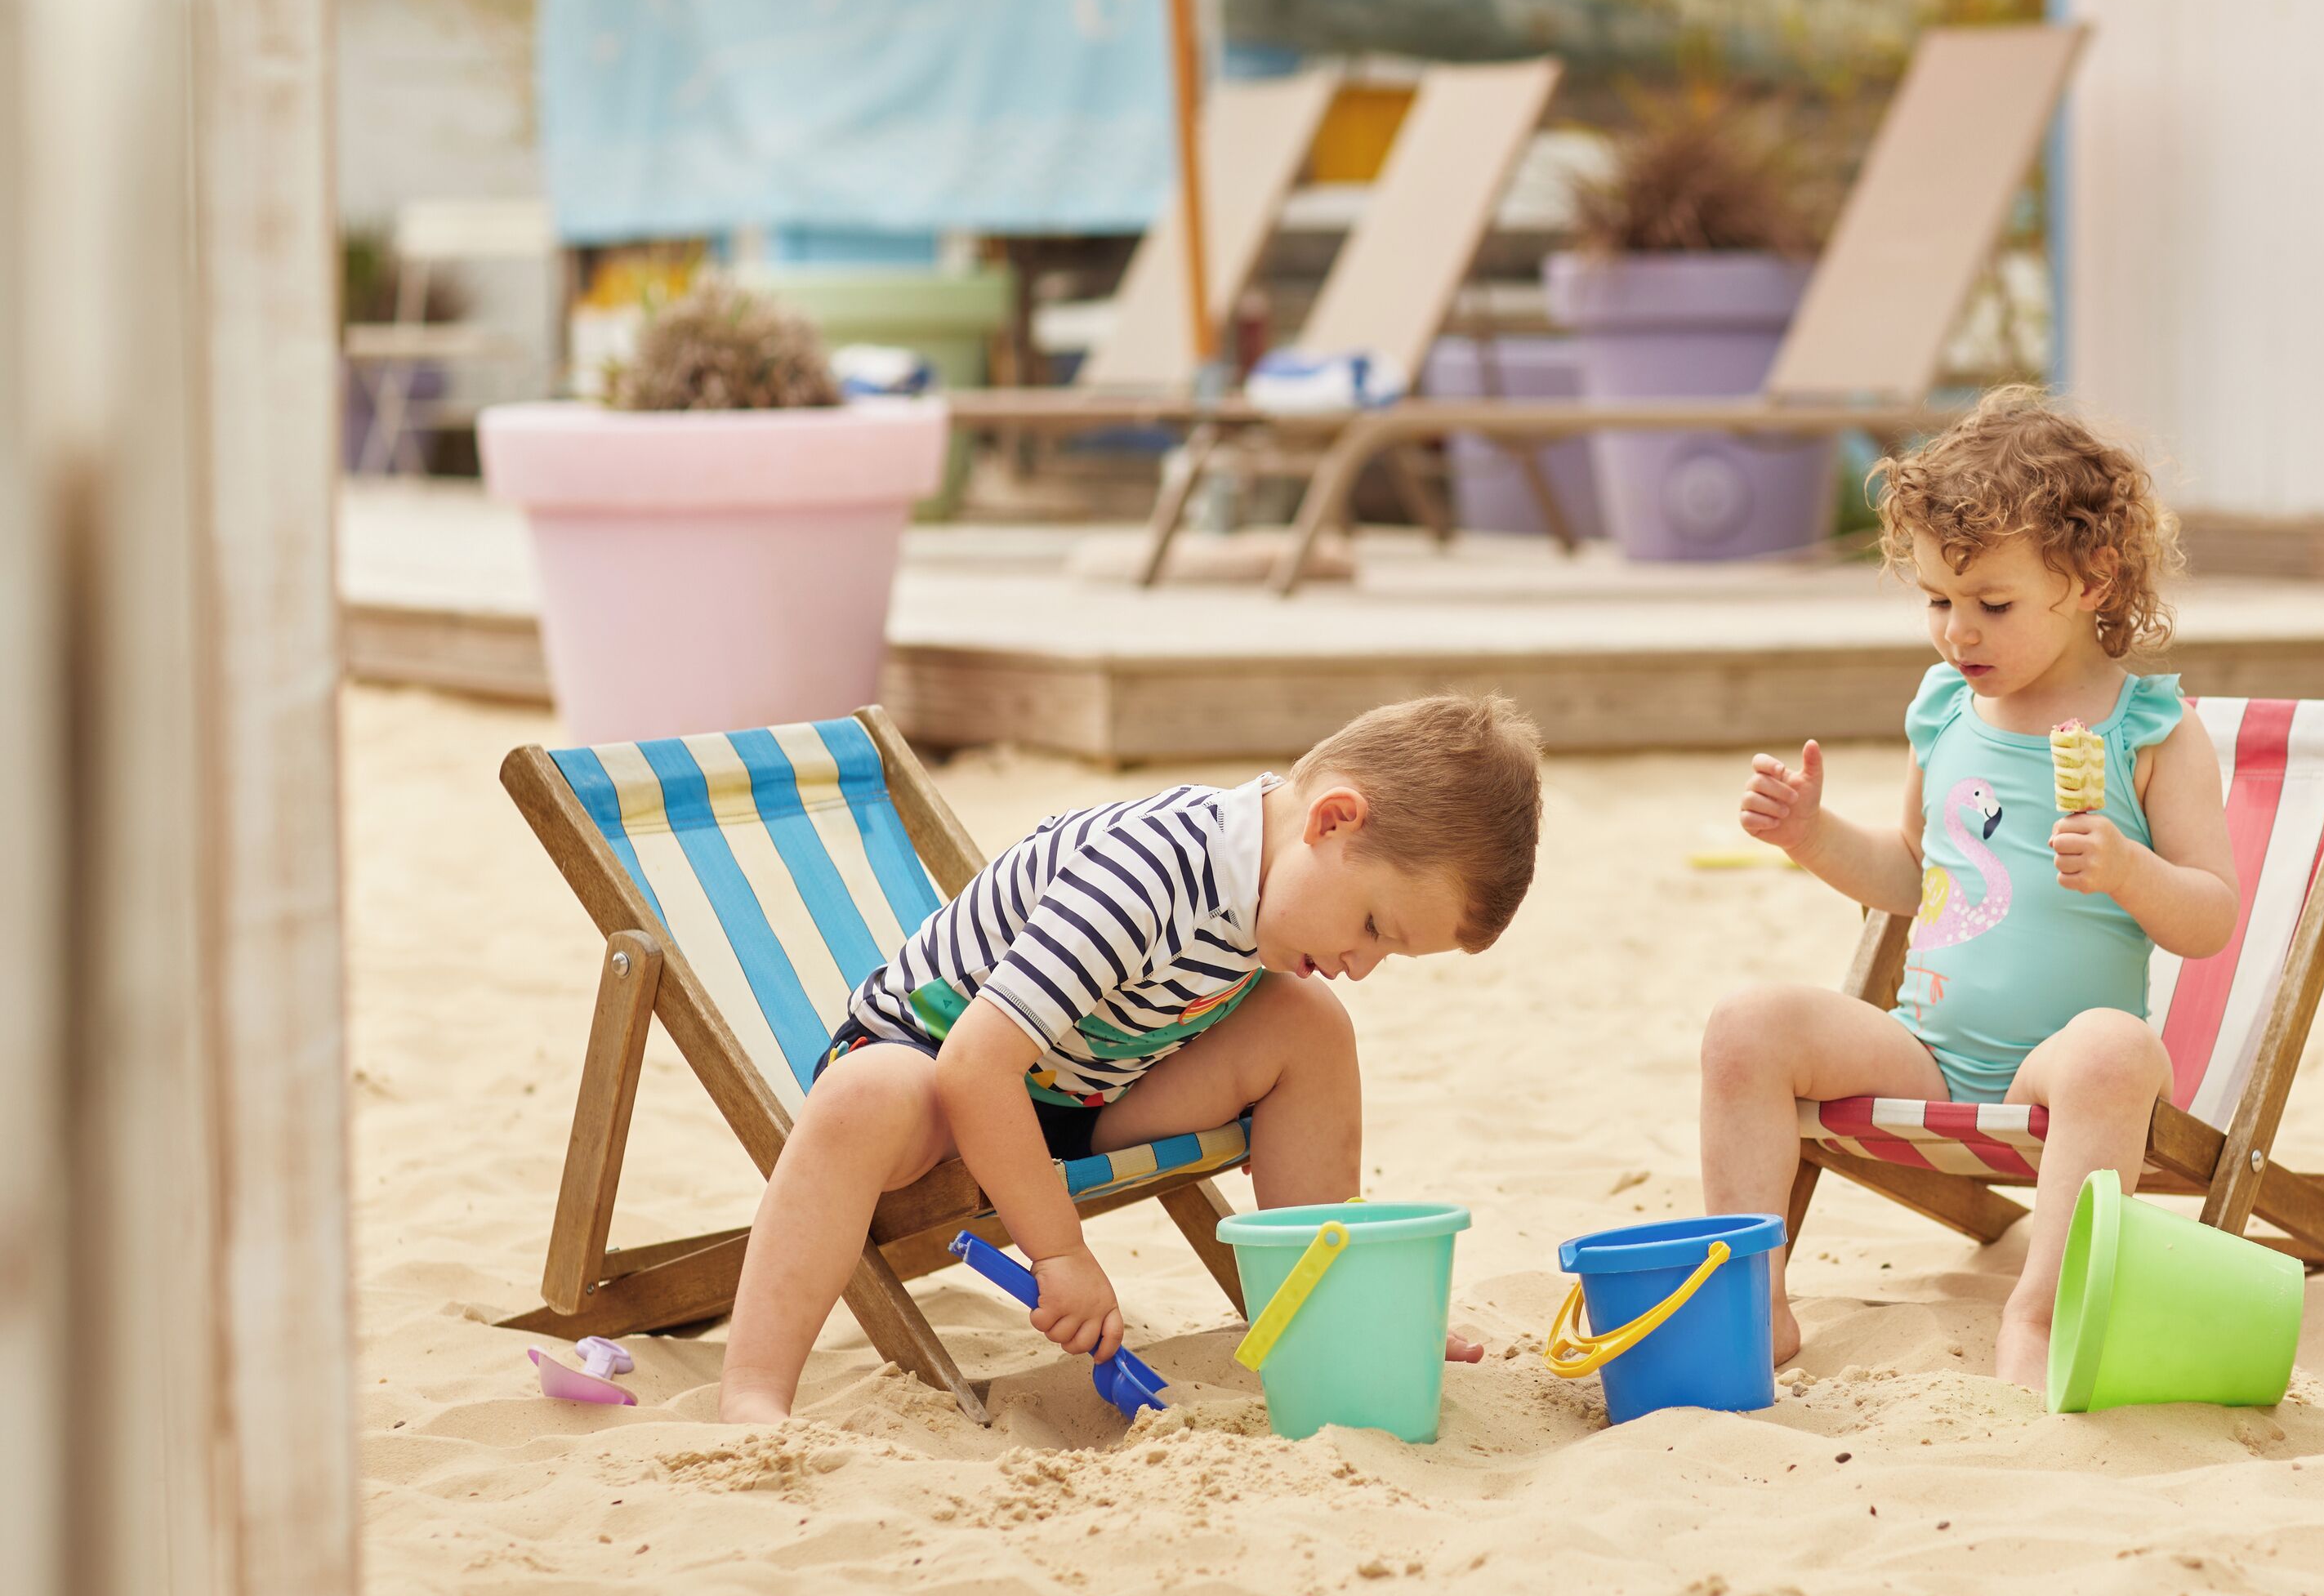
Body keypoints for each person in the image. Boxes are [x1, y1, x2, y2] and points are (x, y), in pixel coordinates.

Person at [718, 694, 1545, 1424]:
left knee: (1310, 1025)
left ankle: (1335, 1296)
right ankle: (754, 1390)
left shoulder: (1268, 887)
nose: (1365, 964)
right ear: (1331, 821)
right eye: (1373, 927)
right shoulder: (1147, 872)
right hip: (938, 1067)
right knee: (860, 1097)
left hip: (1082, 1090)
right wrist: (1060, 1253)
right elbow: (975, 1064)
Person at [1701, 387, 2240, 1389]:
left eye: (1992, 604)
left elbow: (2211, 916)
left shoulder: (2150, 730)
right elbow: (1909, 876)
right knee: (1745, 1025)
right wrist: (1811, 833)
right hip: (1926, 1051)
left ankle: (2037, 1317)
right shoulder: (1948, 707)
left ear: (2090, 578)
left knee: (2119, 1052)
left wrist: (2127, 867)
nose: (1959, 632)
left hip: (2061, 1068)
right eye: (1938, 601)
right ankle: (1751, 1298)